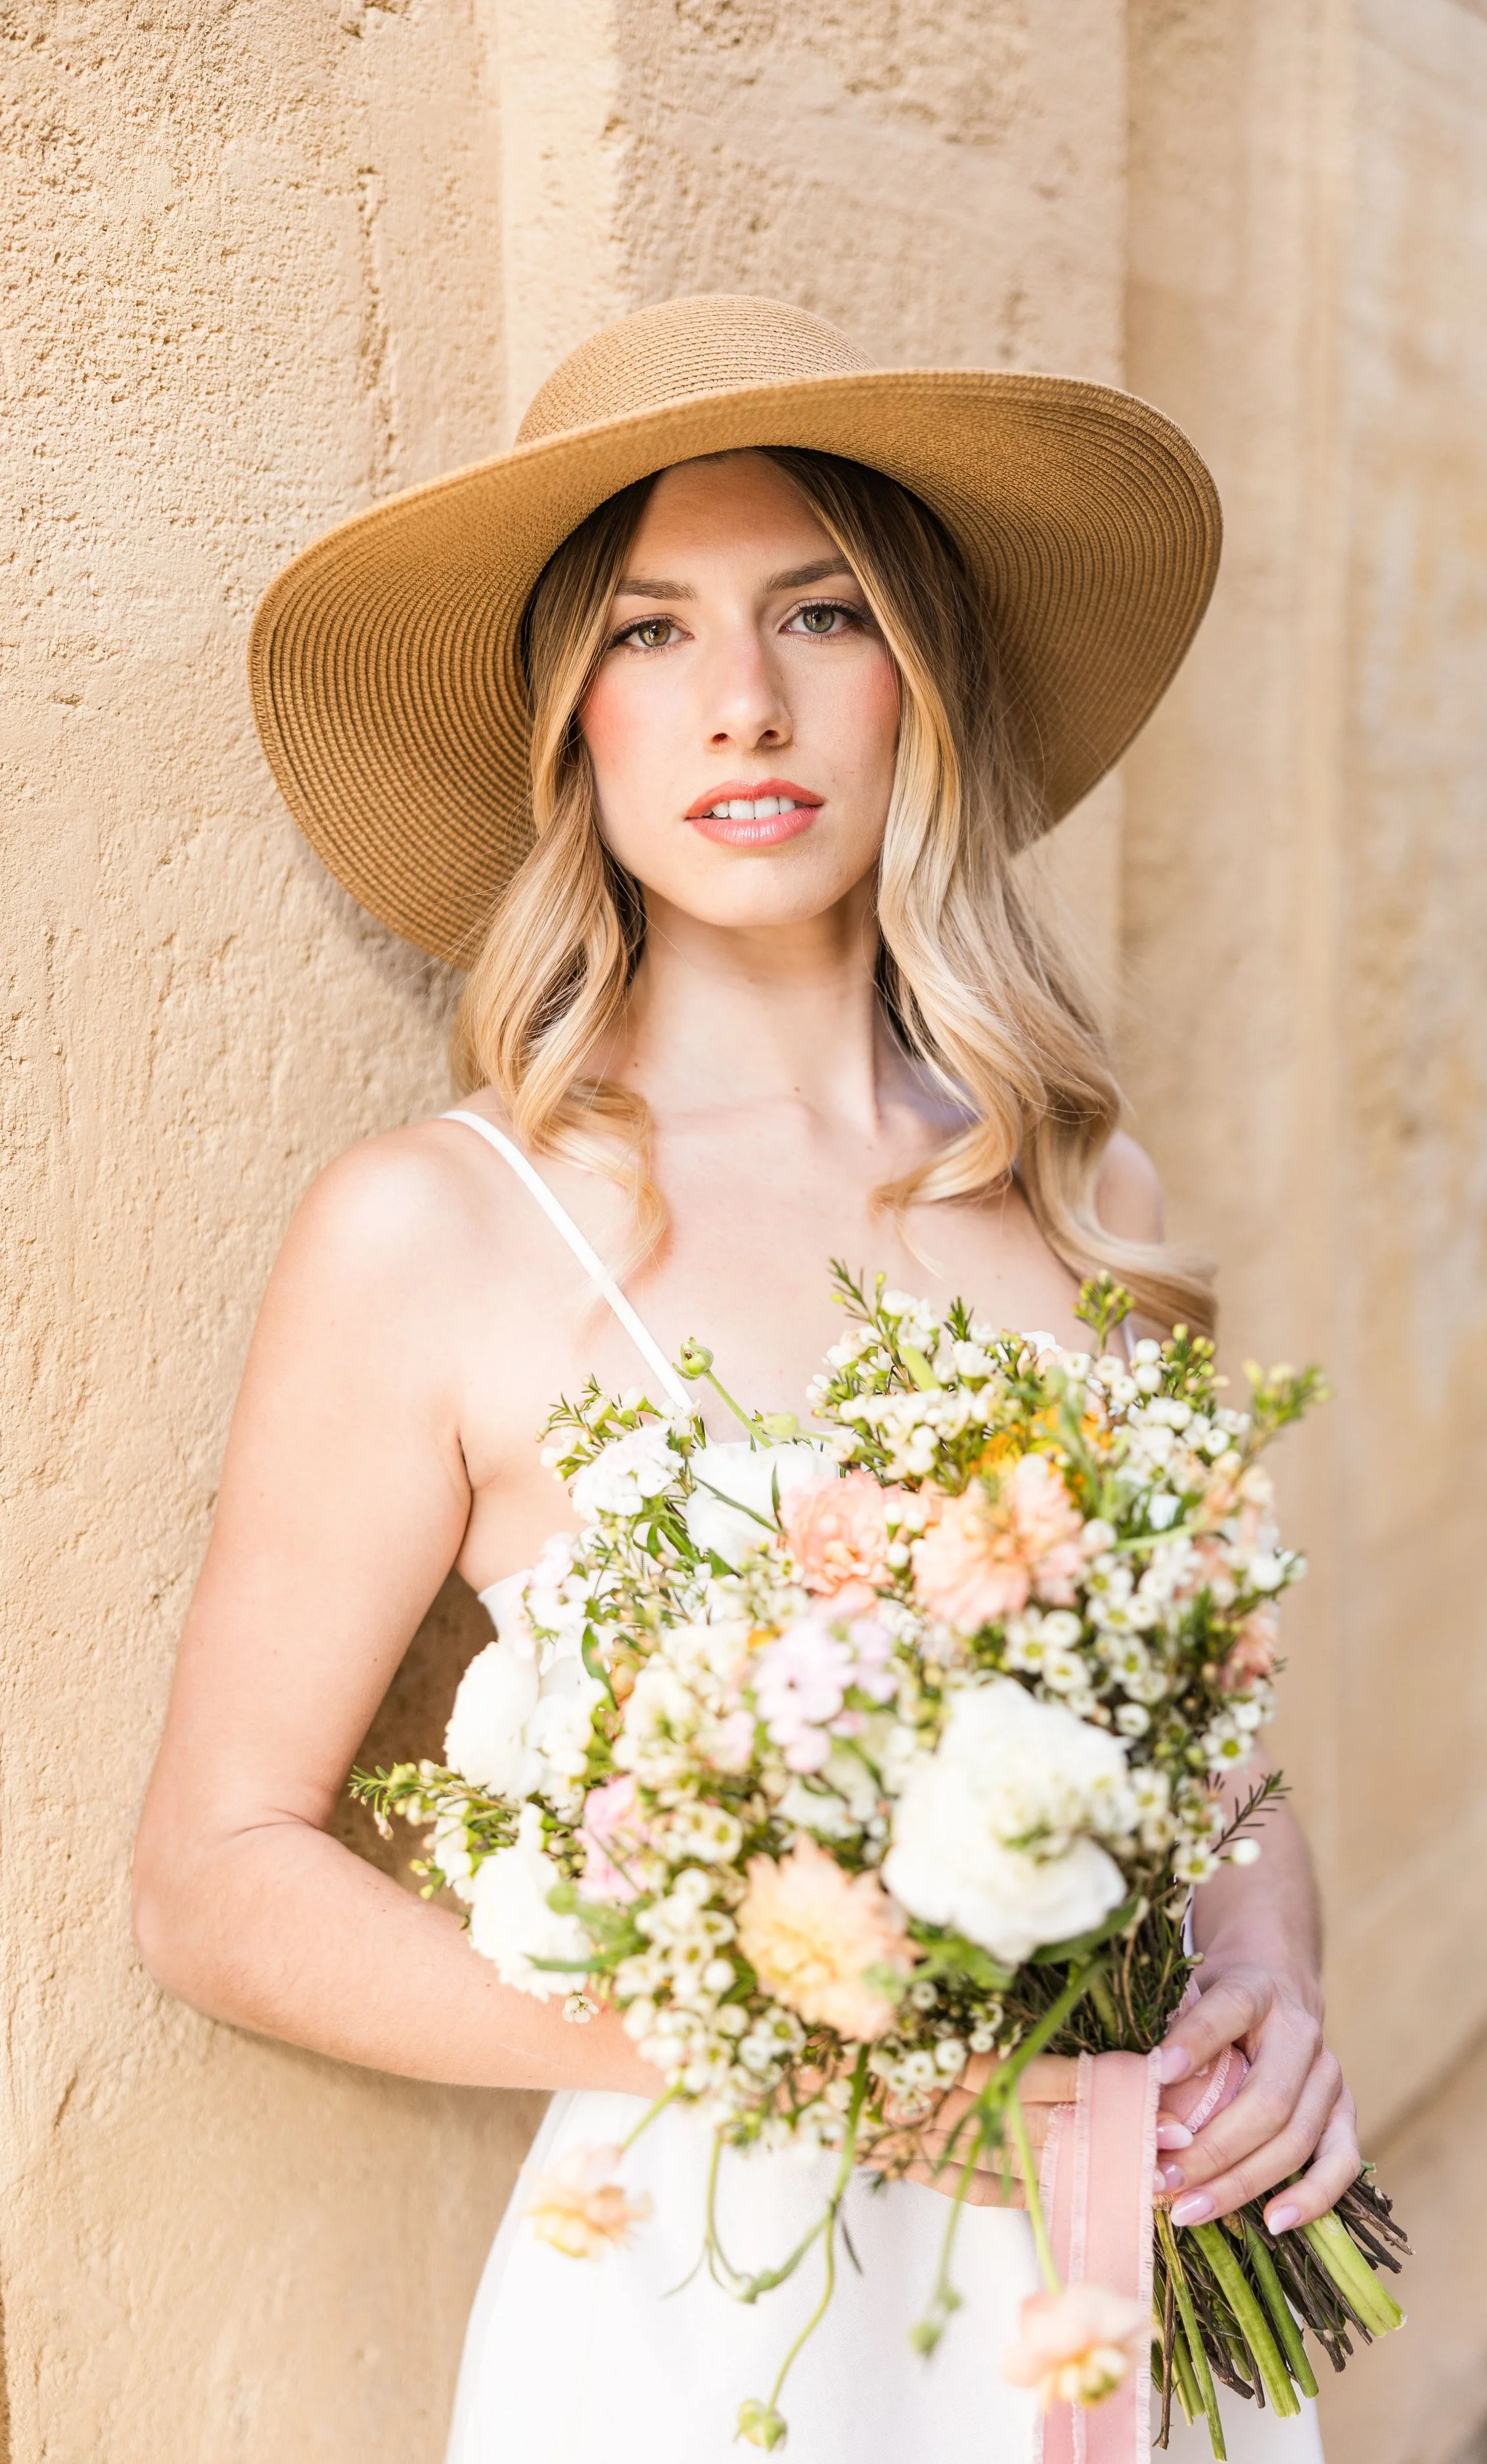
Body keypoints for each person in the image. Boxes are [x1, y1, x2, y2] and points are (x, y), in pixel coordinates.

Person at [135, 296, 1358, 2461]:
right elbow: (215, 1872)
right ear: (568, 727)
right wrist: (758, 2037)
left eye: (822, 612)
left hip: (1113, 2275)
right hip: (716, 2325)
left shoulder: (1077, 1186)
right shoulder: (437, 1231)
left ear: (921, 686)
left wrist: (1263, 1972)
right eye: (646, 633)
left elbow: (1218, 1754)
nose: (745, 703)